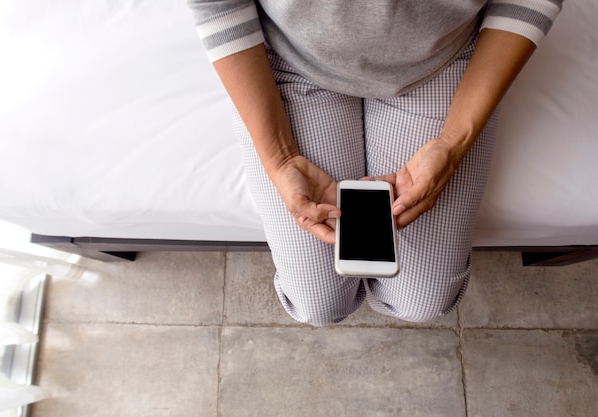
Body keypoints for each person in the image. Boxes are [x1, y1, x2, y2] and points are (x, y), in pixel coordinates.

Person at [187, 0, 563, 326]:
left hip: (441, 59)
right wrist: (279, 157)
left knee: (423, 301)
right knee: (316, 302)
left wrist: (452, 143)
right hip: (290, 59)